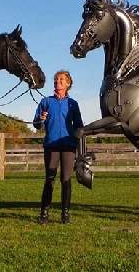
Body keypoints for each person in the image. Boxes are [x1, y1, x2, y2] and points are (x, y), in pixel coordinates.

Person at [33, 70, 84, 224]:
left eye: (61, 79)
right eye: (56, 79)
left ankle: (65, 214)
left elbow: (79, 127)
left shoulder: (73, 104)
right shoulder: (46, 102)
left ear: (68, 84)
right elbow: (36, 124)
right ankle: (44, 213)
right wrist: (41, 119)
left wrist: (80, 145)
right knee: (49, 179)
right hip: (51, 146)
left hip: (68, 146)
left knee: (66, 179)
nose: (57, 81)